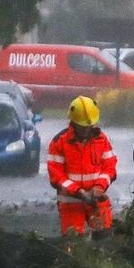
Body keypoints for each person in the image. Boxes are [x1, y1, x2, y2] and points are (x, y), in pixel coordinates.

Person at [46, 96, 119, 236]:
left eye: (89, 126)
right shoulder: (59, 142)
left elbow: (109, 168)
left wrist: (99, 187)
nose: (87, 130)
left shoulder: (101, 139)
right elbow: (56, 176)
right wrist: (79, 192)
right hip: (70, 203)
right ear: (73, 122)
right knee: (73, 244)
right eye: (83, 127)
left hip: (97, 201)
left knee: (105, 241)